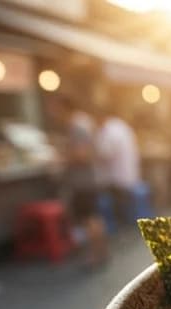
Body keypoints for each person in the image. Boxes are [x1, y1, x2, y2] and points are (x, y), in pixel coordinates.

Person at [53, 94, 107, 266]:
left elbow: (83, 154)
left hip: (84, 181)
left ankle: (95, 254)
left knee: (89, 218)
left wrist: (62, 157)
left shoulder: (77, 126)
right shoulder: (82, 123)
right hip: (88, 180)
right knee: (92, 217)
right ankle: (99, 253)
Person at [94, 105, 141, 227]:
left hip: (116, 179)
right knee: (125, 205)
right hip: (129, 175)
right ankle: (127, 227)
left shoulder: (109, 130)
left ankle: (120, 229)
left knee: (118, 206)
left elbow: (105, 154)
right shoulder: (123, 126)